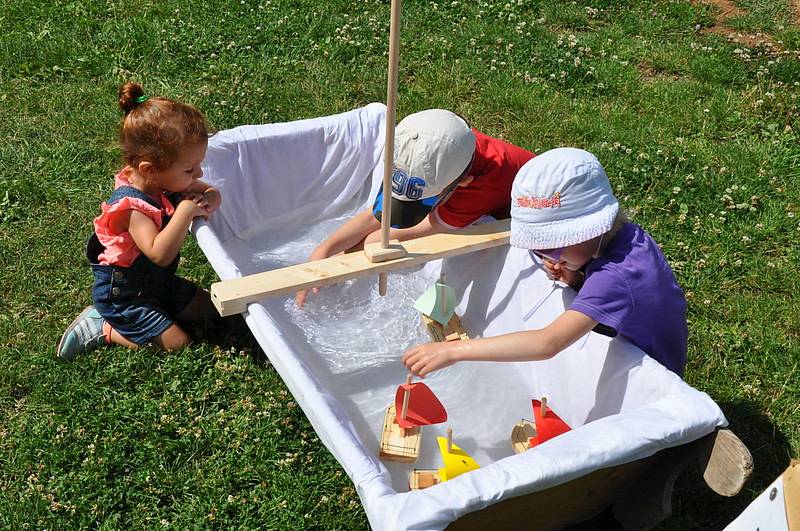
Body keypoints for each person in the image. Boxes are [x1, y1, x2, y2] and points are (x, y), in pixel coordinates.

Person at [402, 147, 688, 377]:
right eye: (539, 252)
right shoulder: (625, 237)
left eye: (552, 248)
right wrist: (575, 277)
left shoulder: (615, 277)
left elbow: (547, 343)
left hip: (650, 369)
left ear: (591, 230)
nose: (549, 258)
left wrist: (452, 351)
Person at [295, 108, 534, 307]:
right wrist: (324, 250)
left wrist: (342, 262)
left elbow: (411, 231)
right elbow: (378, 215)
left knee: (381, 242)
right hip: (468, 191)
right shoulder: (427, 146)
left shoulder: (483, 186)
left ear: (460, 183)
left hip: (510, 213)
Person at [56, 82, 222, 360]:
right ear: (149, 168)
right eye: (190, 169)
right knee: (179, 345)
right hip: (126, 297)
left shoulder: (164, 179)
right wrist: (184, 212)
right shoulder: (132, 207)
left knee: (211, 311)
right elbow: (159, 253)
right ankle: (105, 326)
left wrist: (209, 201)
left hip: (158, 285)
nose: (198, 173)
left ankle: (160, 312)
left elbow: (210, 191)